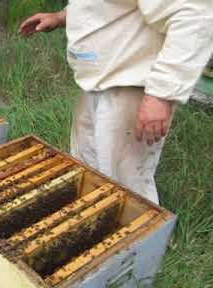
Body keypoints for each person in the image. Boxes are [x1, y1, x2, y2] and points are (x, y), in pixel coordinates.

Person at [20, 2, 213, 204]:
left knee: (126, 183)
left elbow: (194, 14)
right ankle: (96, 221)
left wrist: (161, 95)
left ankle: (140, 234)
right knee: (88, 167)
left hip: (131, 83)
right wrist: (61, 16)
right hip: (97, 81)